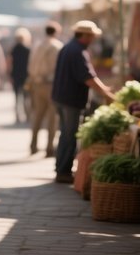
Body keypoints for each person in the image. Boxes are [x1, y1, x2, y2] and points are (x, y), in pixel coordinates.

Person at [52, 20, 116, 184]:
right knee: (70, 135)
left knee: (65, 134)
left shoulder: (68, 48)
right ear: (86, 35)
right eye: (92, 35)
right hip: (70, 100)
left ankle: (61, 168)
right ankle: (64, 171)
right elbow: (88, 77)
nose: (94, 38)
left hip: (62, 98)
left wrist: (103, 90)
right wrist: (105, 92)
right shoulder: (77, 51)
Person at [27, 21, 63, 157]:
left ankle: (33, 145)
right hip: (51, 85)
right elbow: (57, 68)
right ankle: (49, 148)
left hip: (37, 84)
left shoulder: (37, 45)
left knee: (38, 116)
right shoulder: (57, 46)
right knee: (52, 117)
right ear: (56, 32)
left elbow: (31, 66)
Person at [9, 28, 31, 123]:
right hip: (26, 77)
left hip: (15, 76)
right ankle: (27, 116)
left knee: (17, 97)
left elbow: (9, 63)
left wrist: (10, 75)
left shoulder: (13, 50)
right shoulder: (28, 50)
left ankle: (17, 116)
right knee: (26, 97)